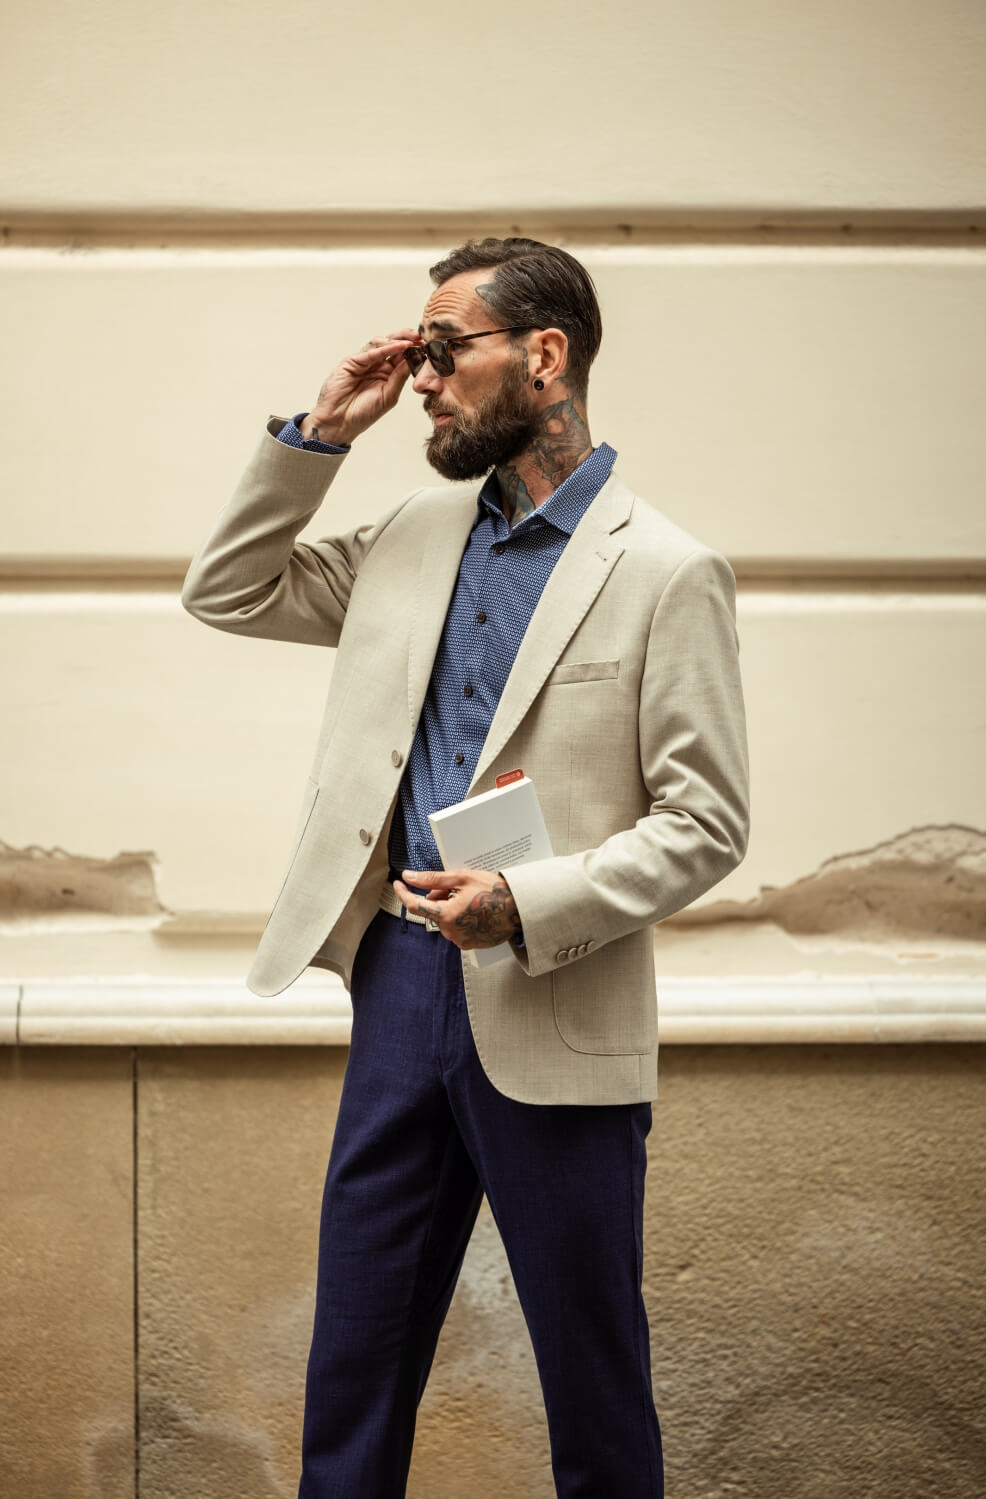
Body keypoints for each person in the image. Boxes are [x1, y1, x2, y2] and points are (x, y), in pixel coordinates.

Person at [182, 236, 749, 1499]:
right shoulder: (412, 533)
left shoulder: (664, 571)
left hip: (553, 994)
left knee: (591, 1375)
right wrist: (317, 433)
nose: (424, 379)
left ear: (544, 357)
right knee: (356, 1363)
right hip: (395, 980)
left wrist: (524, 900)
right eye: (419, 353)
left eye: (447, 350)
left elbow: (706, 821)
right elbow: (226, 590)